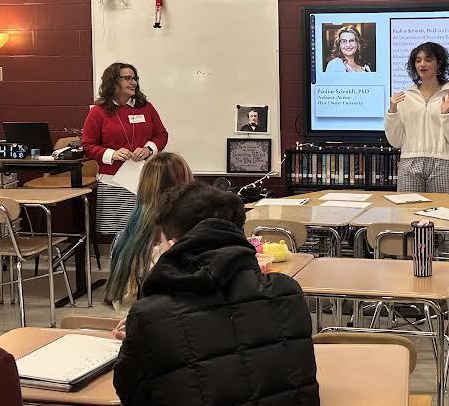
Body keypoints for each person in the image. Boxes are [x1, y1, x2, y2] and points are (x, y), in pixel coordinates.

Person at [113, 182, 319, 406]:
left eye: (159, 242)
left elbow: (131, 394)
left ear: (173, 245)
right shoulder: (287, 291)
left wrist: (141, 340)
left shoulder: (149, 313)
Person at [82, 62, 168, 239]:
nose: (133, 82)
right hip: (114, 181)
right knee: (119, 234)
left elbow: (161, 135)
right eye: (127, 78)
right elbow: (88, 145)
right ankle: (121, 265)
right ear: (113, 81)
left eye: (135, 78)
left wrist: (148, 149)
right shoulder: (98, 112)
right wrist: (112, 154)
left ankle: (143, 266)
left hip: (145, 179)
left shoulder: (146, 107)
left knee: (145, 232)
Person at [105, 152, 193, 317]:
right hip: (163, 326)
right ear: (185, 186)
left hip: (130, 321)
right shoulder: (177, 244)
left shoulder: (125, 239)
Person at [385, 42, 449, 195]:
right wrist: (392, 111)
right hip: (409, 162)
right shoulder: (405, 97)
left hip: (443, 162)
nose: (422, 64)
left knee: (441, 215)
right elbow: (395, 141)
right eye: (418, 60)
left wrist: (446, 115)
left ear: (439, 63)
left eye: (428, 60)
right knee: (407, 214)